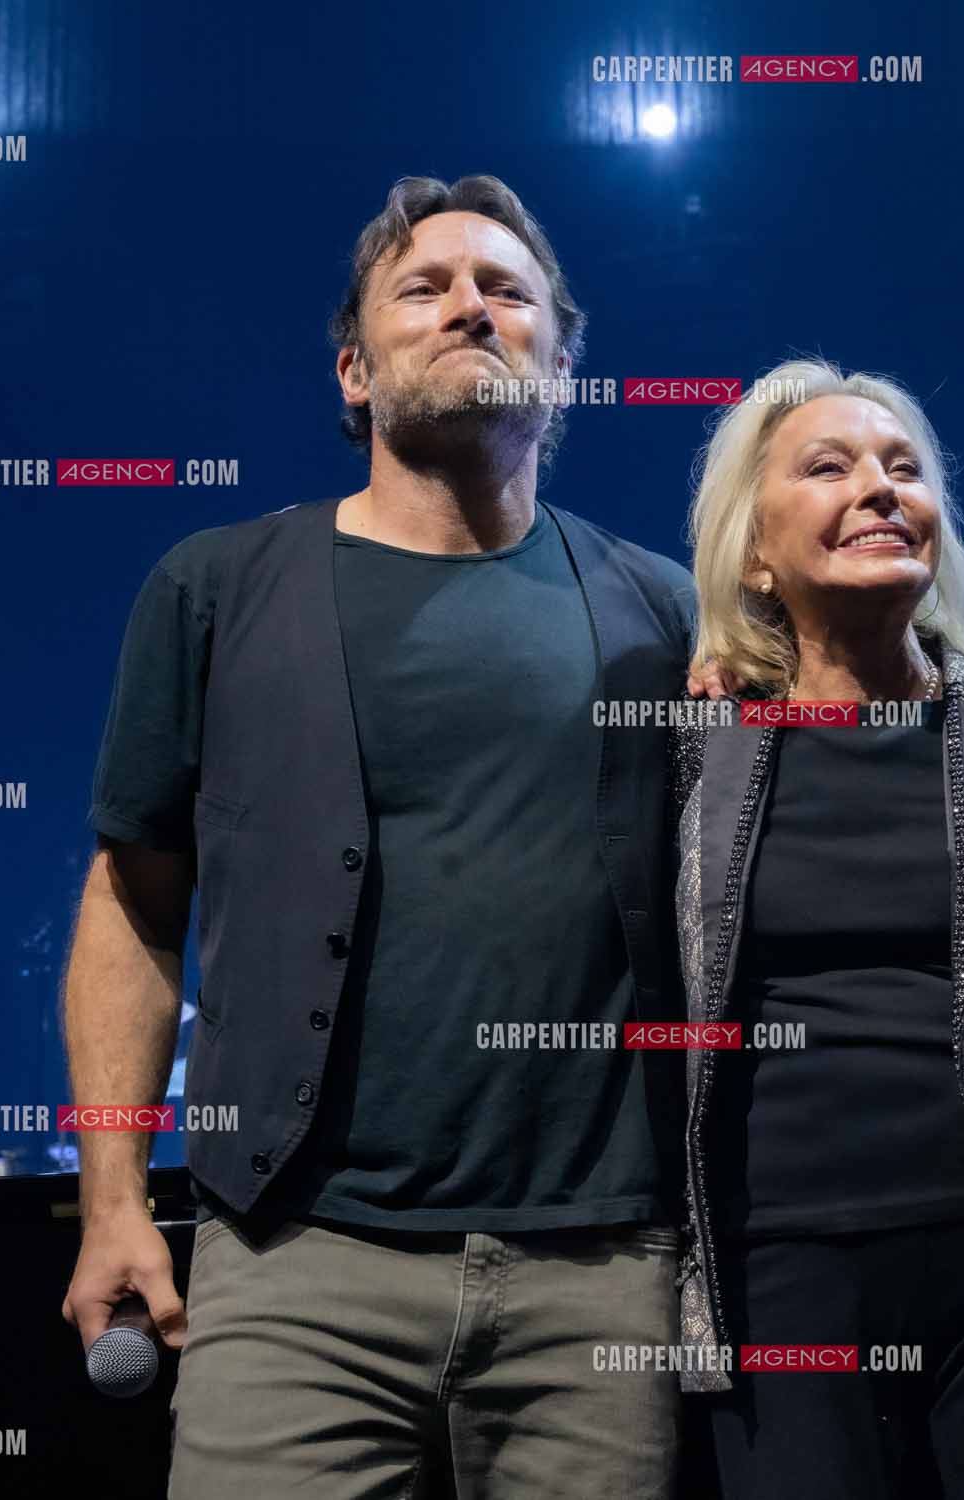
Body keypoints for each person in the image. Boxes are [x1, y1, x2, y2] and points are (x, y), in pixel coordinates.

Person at [58, 174, 696, 1499]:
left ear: (563, 370)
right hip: (295, 1269)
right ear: (354, 372)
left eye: (507, 291)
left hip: (601, 1276)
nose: (472, 306)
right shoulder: (216, 590)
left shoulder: (663, 614)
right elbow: (131, 905)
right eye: (428, 287)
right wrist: (113, 1197)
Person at [674, 360, 964, 1499]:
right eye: (828, 467)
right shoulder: (694, 741)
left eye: (902, 469)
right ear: (755, 552)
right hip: (779, 1262)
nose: (878, 489)